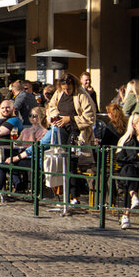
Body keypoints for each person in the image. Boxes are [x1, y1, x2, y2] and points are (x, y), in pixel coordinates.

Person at [46, 73, 96, 205]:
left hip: (76, 130)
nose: (67, 91)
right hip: (61, 130)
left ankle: (75, 196)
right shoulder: (59, 93)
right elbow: (51, 107)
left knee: (71, 162)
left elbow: (90, 116)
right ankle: (65, 195)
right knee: (62, 161)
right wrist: (56, 117)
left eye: (69, 89)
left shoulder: (82, 95)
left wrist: (70, 119)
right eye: (64, 89)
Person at [0, 106, 51, 195]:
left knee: (4, 165)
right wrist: (15, 140)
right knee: (3, 159)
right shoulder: (26, 130)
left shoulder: (45, 132)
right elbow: (17, 144)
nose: (31, 118)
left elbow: (34, 147)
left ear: (41, 117)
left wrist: (32, 135)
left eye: (34, 116)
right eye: (30, 115)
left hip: (33, 158)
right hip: (22, 156)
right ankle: (18, 186)